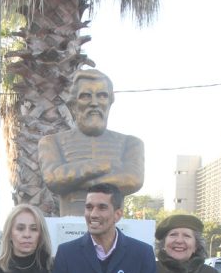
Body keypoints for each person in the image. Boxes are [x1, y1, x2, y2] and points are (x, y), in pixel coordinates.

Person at [38, 70, 144, 216]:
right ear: (73, 103)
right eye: (86, 96)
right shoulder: (51, 142)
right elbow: (53, 179)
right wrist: (104, 165)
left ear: (110, 101)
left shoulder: (131, 143)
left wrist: (72, 181)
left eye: (102, 96)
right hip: (69, 226)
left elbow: (133, 180)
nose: (94, 103)